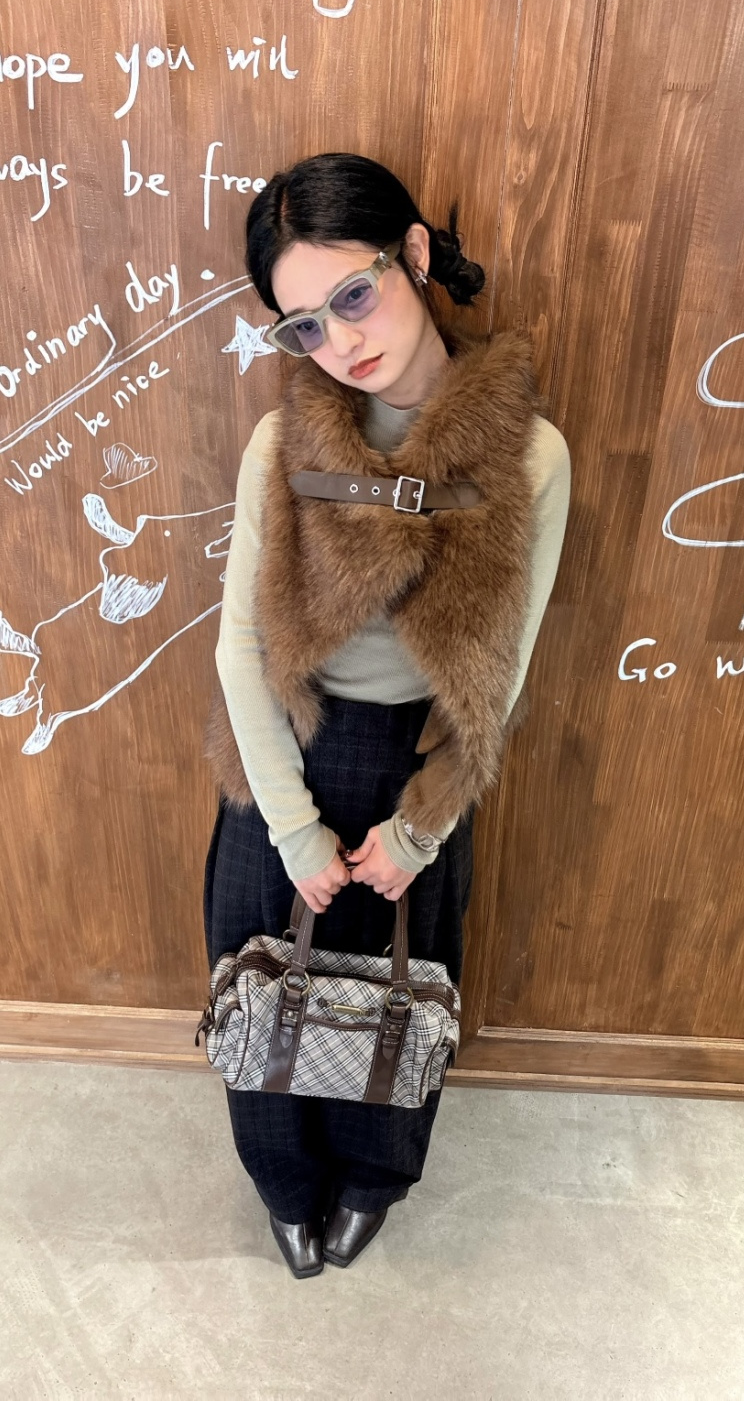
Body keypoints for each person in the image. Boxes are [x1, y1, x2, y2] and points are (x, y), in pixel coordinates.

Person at [202, 152, 571, 1278]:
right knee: (267, 996)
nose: (341, 341)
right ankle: (284, 1182)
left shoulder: (531, 457)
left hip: (423, 765)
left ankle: (374, 1178)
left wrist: (421, 828)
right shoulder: (284, 445)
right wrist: (293, 828)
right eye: (305, 325)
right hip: (286, 754)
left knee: (403, 1004)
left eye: (354, 295)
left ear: (413, 254)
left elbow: (502, 672)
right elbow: (240, 652)